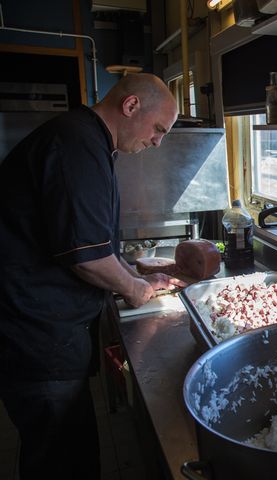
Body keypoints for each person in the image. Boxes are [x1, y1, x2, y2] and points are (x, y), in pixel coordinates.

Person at [0, 73, 184, 479]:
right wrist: (134, 287)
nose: (158, 141)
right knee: (61, 459)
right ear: (131, 105)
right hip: (36, 334)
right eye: (158, 129)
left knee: (65, 449)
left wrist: (135, 275)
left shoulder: (86, 139)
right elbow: (85, 256)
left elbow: (91, 244)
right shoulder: (76, 144)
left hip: (42, 328)